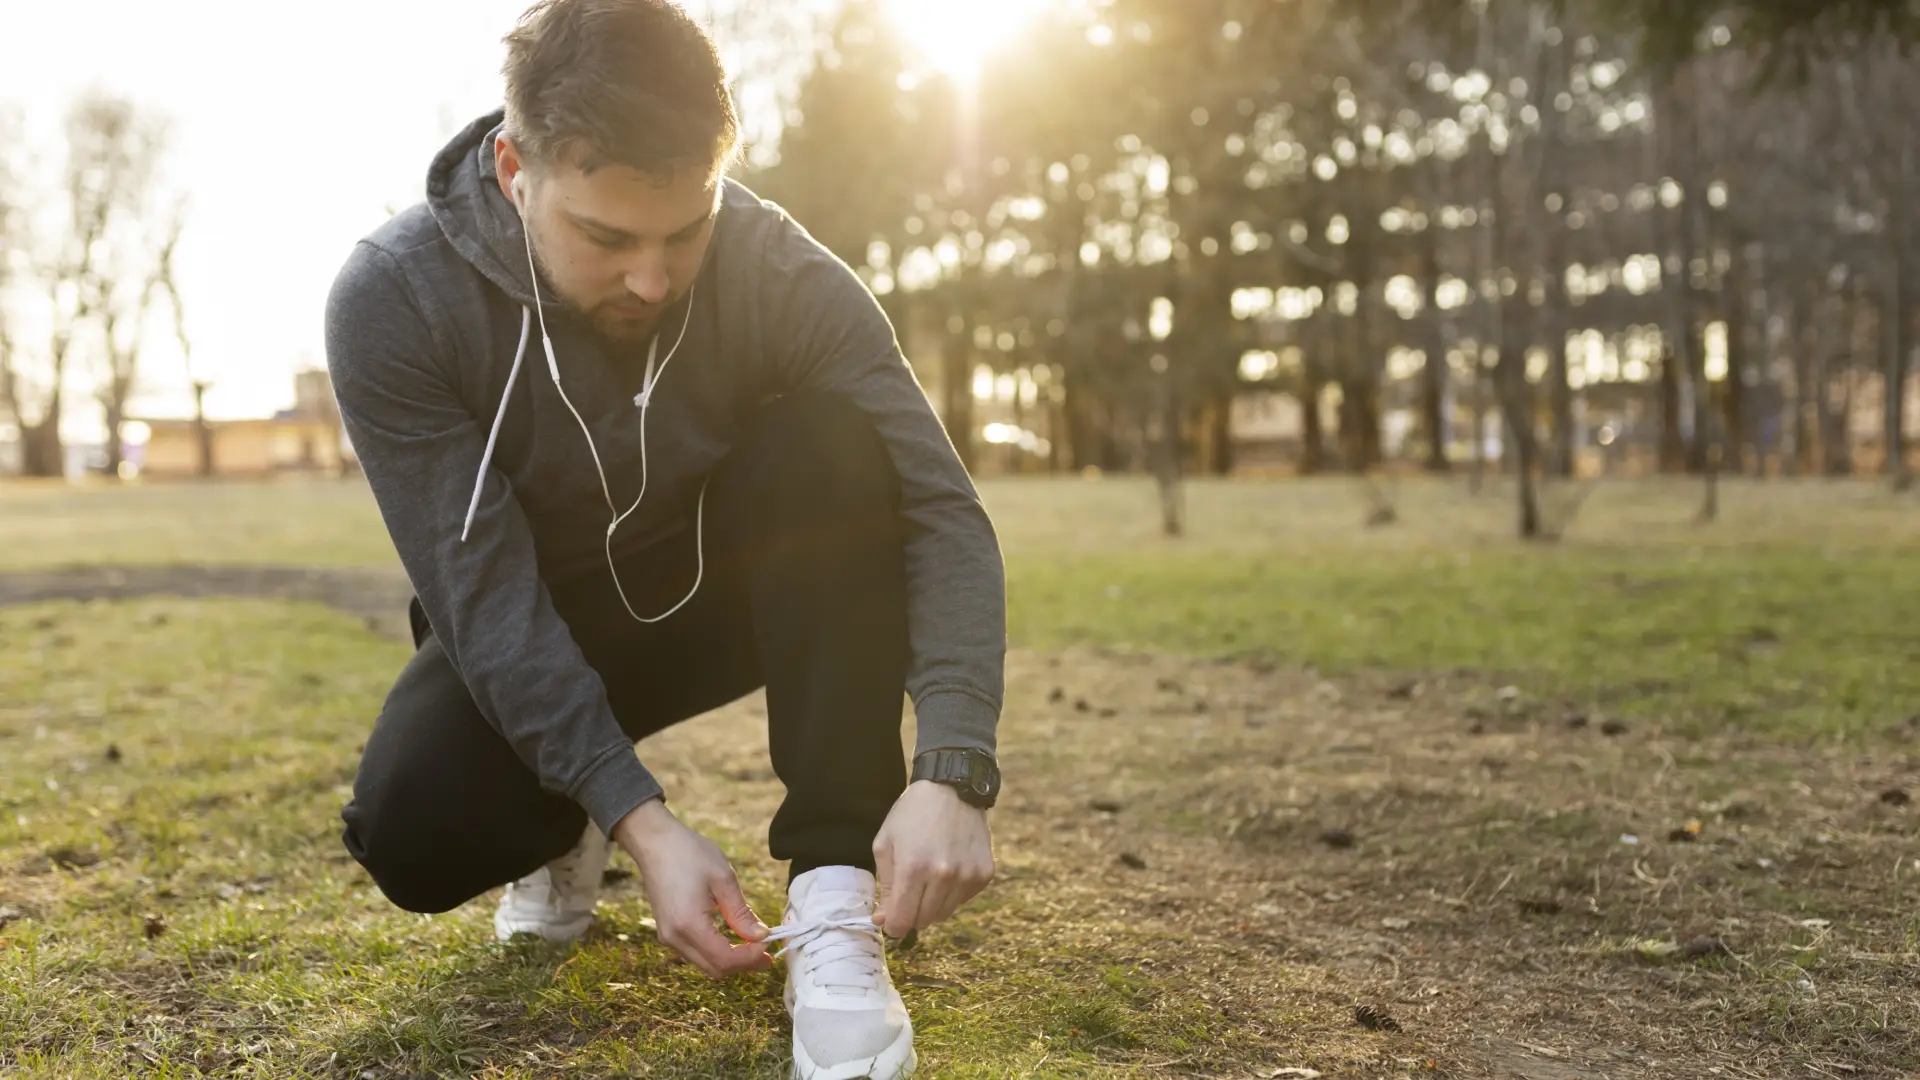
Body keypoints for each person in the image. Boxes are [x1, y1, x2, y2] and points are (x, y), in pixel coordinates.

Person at [322, 1, 1005, 1075]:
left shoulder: (779, 271)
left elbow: (939, 507)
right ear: (514, 169)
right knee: (409, 833)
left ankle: (834, 897)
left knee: (832, 446)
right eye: (607, 238)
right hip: (535, 616)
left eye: (685, 232)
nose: (652, 278)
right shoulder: (396, 297)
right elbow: (482, 599)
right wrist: (639, 821)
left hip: (714, 590)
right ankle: (565, 827)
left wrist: (954, 769)